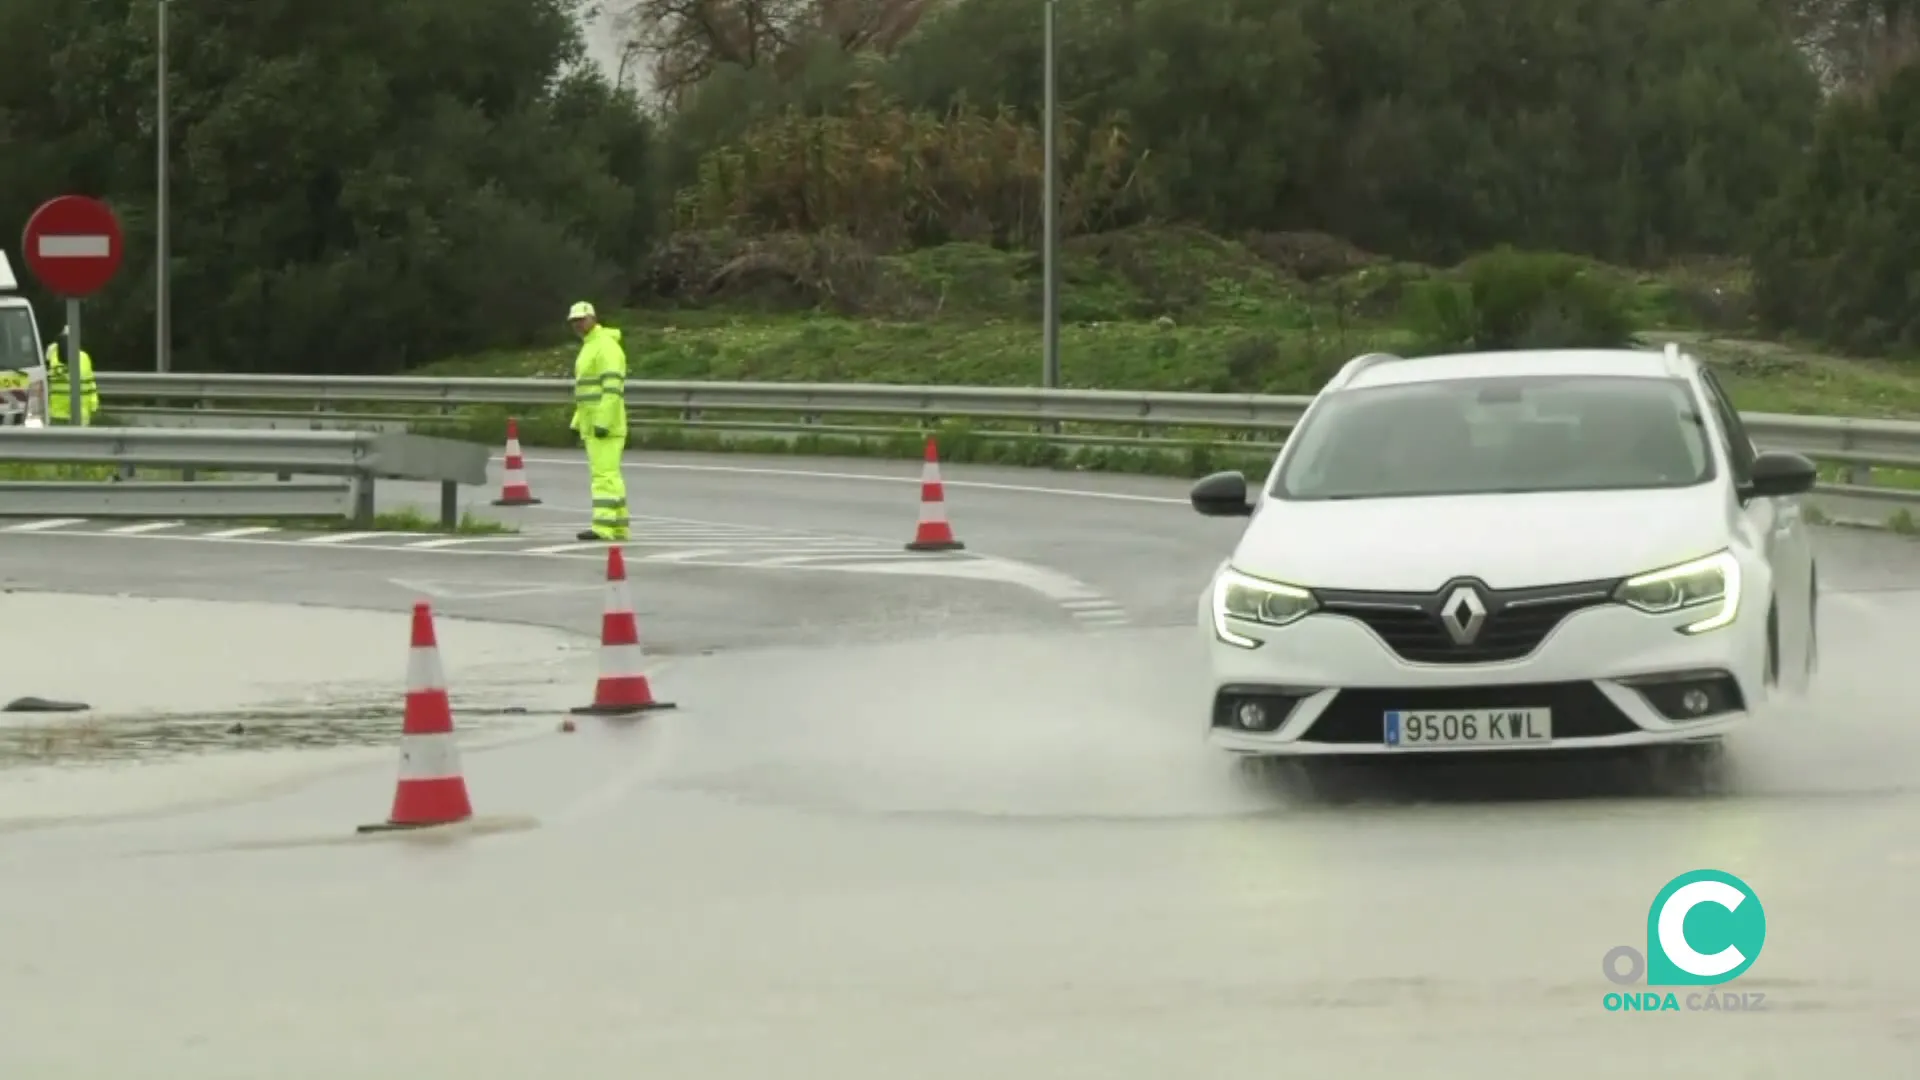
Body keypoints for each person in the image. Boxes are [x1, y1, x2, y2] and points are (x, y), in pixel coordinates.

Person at [567, 301, 629, 541]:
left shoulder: (605, 347)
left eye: (581, 320)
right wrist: (578, 422)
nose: (577, 324)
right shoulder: (591, 346)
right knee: (610, 475)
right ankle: (618, 526)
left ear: (593, 318)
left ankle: (603, 527)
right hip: (594, 423)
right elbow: (587, 391)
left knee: (603, 477)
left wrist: (603, 422)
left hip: (605, 426)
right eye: (574, 321)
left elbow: (612, 388)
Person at [45, 328, 99, 424]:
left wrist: (93, 405)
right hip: (73, 413)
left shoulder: (53, 356)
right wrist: (93, 406)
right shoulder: (84, 357)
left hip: (62, 413)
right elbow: (91, 384)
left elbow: (90, 383)